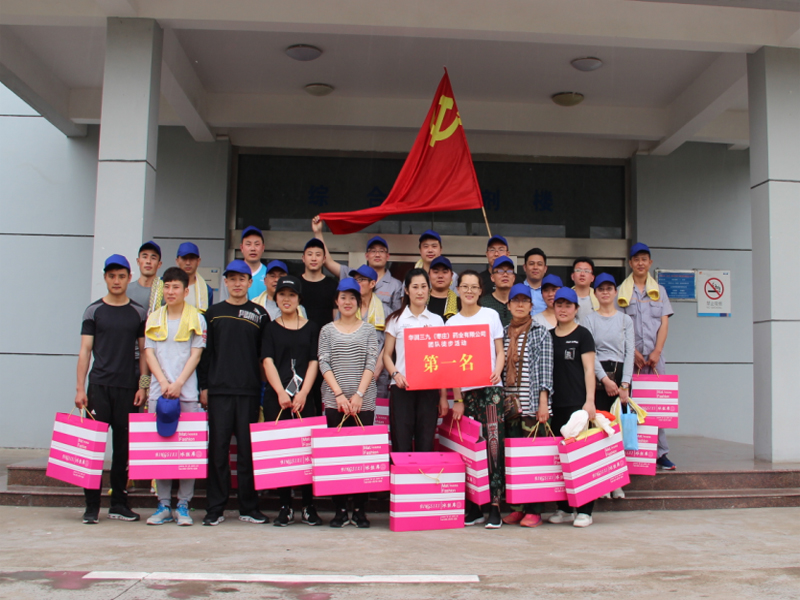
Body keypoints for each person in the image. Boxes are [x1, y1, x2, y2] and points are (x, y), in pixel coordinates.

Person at [75, 254, 147, 524]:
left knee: (122, 450)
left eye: (121, 276)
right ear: (105, 278)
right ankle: (91, 507)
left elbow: (144, 352)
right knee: (92, 449)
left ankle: (119, 504)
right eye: (112, 276)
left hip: (128, 389)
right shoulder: (93, 311)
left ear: (129, 278)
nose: (116, 281)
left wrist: (143, 386)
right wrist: (80, 388)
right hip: (99, 388)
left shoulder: (138, 312)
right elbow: (85, 351)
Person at [198, 260, 270, 527]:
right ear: (225, 282)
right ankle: (215, 508)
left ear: (250, 283)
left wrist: (263, 391)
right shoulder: (213, 313)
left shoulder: (260, 314)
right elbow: (205, 354)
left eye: (242, 279)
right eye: (232, 279)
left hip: (249, 391)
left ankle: (248, 507)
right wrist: (204, 387)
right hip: (218, 391)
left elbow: (264, 357)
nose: (237, 283)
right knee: (217, 451)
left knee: (247, 453)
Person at [143, 267, 206, 526]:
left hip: (187, 393)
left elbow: (196, 354)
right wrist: (162, 382)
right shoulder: (154, 317)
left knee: (186, 451)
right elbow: (149, 352)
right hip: (159, 393)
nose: (171, 291)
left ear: (186, 291)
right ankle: (163, 504)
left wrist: (179, 383)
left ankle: (183, 504)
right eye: (167, 286)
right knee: (161, 449)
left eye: (176, 287)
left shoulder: (197, 318)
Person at [318, 278, 380, 528]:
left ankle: (361, 509)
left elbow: (371, 361)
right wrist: (339, 395)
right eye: (343, 297)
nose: (347, 302)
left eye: (352, 298)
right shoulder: (327, 330)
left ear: (359, 302)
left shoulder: (368, 330)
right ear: (336, 300)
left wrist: (359, 395)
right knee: (338, 456)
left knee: (362, 456)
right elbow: (323, 362)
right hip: (335, 401)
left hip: (364, 402)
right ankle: (341, 509)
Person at [262, 275, 323, 526]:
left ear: (299, 299)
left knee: (307, 452)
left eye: (292, 295)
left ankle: (308, 505)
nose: (286, 299)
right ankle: (285, 506)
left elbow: (314, 361)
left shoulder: (312, 327)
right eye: (282, 295)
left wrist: (304, 392)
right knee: (282, 452)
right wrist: (280, 392)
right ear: (276, 298)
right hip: (277, 399)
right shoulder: (270, 328)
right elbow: (267, 361)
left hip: (304, 399)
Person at [447, 270, 506, 529]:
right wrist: (457, 399)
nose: (469, 291)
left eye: (474, 287)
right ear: (457, 290)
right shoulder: (451, 323)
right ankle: (474, 505)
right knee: (469, 448)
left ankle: (494, 505)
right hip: (467, 394)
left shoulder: (490, 315)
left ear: (481, 291)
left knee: (493, 445)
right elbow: (452, 366)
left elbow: (500, 351)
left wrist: (497, 371)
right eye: (465, 286)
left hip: (491, 390)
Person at [617, 242, 676, 471]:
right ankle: (633, 454)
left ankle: (661, 453)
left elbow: (664, 323)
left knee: (656, 406)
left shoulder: (659, 291)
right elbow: (619, 325)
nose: (640, 263)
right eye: (636, 259)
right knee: (630, 406)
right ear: (630, 263)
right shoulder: (622, 291)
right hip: (630, 359)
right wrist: (633, 353)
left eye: (644, 259)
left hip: (655, 359)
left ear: (650, 262)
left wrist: (657, 352)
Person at [501, 284, 553, 528]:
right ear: (508, 305)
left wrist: (543, 404)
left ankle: (535, 510)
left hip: (532, 407)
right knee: (513, 460)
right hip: (509, 408)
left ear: (532, 306)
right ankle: (517, 508)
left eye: (524, 301)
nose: (520, 305)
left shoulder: (540, 332)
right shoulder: (502, 333)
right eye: (516, 301)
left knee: (534, 460)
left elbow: (545, 372)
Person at [547, 288, 598, 528]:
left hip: (577, 405)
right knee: (559, 460)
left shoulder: (583, 335)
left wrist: (590, 401)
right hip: (554, 406)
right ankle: (565, 508)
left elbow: (589, 370)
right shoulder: (548, 336)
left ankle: (585, 510)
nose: (563, 309)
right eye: (559, 305)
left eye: (568, 305)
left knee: (581, 459)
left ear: (576, 309)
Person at [383, 269, 449, 453]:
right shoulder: (395, 320)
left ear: (429, 289)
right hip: (402, 388)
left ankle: (424, 472)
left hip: (429, 389)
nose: (420, 292)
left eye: (423, 287)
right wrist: (395, 374)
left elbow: (442, 361)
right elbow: (387, 355)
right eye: (415, 287)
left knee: (426, 441)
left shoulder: (437, 321)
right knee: (401, 440)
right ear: (406, 290)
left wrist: (443, 396)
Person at [582, 273, 634, 500]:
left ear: (615, 292)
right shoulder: (589, 319)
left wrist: (625, 384)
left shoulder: (625, 320)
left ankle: (617, 482)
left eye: (609, 288)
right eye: (601, 289)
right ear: (595, 293)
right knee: (599, 430)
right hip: (597, 376)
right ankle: (602, 482)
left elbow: (630, 352)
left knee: (618, 432)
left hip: (621, 376)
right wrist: (604, 379)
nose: (605, 292)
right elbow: (589, 353)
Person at [311, 217, 403, 315]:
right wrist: (318, 232)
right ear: (366, 256)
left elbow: (396, 317)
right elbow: (328, 262)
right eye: (373, 251)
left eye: (381, 251)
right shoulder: (353, 276)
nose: (377, 254)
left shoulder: (396, 285)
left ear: (387, 256)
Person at [299, 238, 338, 416]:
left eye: (318, 254)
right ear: (303, 258)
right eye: (310, 254)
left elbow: (336, 317)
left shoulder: (332, 285)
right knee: (302, 396)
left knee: (324, 396)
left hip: (325, 348)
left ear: (324, 259)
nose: (313, 258)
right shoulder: (296, 284)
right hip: (301, 346)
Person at [349, 265, 387, 397]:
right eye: (355, 280)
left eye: (361, 280)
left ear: (372, 284)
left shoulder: (385, 311)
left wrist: (377, 369)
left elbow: (389, 344)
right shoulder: (347, 309)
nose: (357, 283)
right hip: (350, 373)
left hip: (377, 376)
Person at [218, 226, 267, 302]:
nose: (253, 248)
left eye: (257, 244)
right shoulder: (229, 274)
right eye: (248, 244)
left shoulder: (269, 275)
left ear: (263, 247)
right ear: (241, 248)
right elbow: (223, 303)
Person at [127, 240, 164, 315]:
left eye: (153, 258)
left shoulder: (165, 291)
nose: (148, 261)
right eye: (144, 257)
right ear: (138, 261)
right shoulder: (126, 290)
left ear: (159, 264)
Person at [176, 242, 213, 313]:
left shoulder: (207, 290)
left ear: (198, 261)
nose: (188, 263)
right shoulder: (164, 284)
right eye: (184, 258)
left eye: (192, 258)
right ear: (177, 261)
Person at [479, 256, 516, 327]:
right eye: (500, 271)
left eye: (509, 271)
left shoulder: (519, 303)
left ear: (513, 278)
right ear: (492, 277)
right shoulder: (482, 304)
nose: (505, 274)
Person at [427, 256, 460, 321]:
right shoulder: (421, 300)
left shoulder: (460, 303)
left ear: (451, 276)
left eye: (445, 272)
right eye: (435, 272)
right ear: (429, 275)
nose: (440, 276)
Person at [571, 257, 598, 323]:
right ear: (572, 276)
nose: (582, 274)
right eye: (578, 270)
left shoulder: (599, 298)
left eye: (586, 271)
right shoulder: (565, 297)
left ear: (592, 278)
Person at [522, 248, 548, 315]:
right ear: (525, 267)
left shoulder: (551, 293)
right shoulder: (517, 290)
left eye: (539, 264)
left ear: (545, 269)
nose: (535, 267)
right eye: (531, 264)